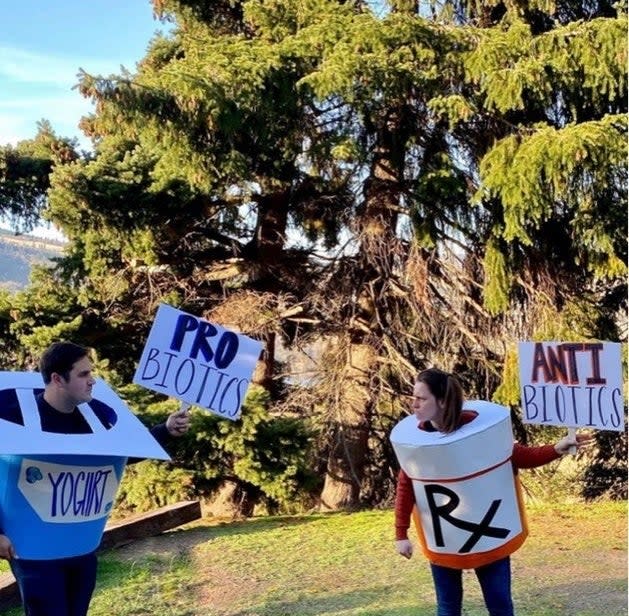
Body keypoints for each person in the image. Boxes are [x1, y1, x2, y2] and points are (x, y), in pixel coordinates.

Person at [0, 341, 191, 616]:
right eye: (83, 374)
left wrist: (167, 430)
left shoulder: (96, 417)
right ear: (57, 379)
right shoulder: (13, 415)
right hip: (34, 550)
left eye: (92, 373)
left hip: (80, 545)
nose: (92, 381)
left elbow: (122, 452)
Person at [393, 367, 592, 616]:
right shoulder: (417, 442)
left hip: (490, 537)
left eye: (421, 398)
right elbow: (406, 484)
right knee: (448, 607)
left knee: (500, 606)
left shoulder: (481, 430)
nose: (414, 405)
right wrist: (401, 533)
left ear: (442, 401)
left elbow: (517, 456)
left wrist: (557, 448)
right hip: (444, 539)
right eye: (414, 397)